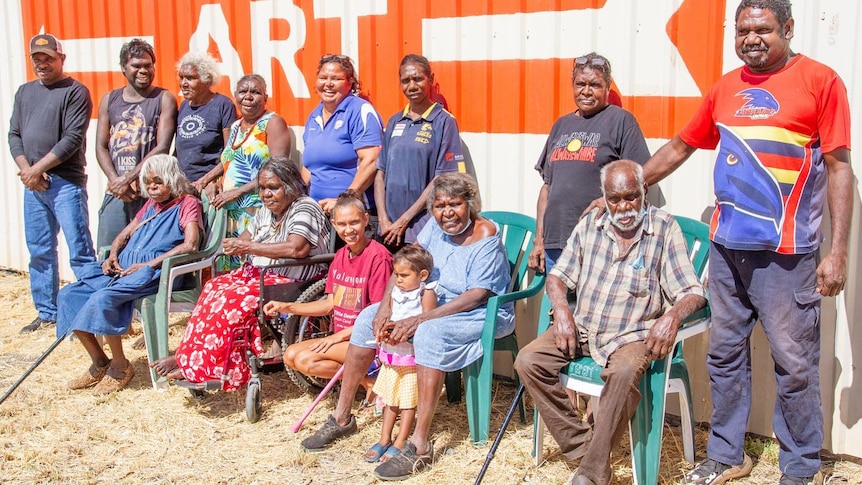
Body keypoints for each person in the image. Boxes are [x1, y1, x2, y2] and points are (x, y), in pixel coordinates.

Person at [619, 2, 852, 484]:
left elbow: (839, 168)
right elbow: (682, 146)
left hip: (788, 255)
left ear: (787, 29)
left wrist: (838, 252)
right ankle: (727, 456)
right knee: (725, 355)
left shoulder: (821, 81)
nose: (751, 38)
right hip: (727, 250)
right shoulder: (726, 87)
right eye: (743, 30)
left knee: (794, 362)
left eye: (762, 29)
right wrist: (628, 187)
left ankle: (800, 466)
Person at [300, 173, 514, 482]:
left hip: (477, 312)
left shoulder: (485, 238)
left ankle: (420, 444)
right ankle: (342, 417)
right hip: (428, 302)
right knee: (366, 319)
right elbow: (404, 263)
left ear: (471, 205)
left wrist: (419, 319)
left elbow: (477, 295)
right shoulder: (435, 228)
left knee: (428, 333)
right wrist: (386, 306)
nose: (447, 212)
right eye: (439, 206)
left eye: (455, 204)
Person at [515, 160, 707, 485]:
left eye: (631, 197)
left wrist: (672, 316)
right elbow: (559, 276)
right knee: (528, 361)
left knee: (625, 371)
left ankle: (591, 473)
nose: (624, 207)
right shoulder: (593, 222)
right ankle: (586, 447)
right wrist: (561, 309)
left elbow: (692, 292)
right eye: (615, 199)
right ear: (604, 196)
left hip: (632, 334)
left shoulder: (663, 229)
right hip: (585, 326)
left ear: (644, 192)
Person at [151, 157, 330, 391]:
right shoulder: (268, 211)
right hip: (261, 273)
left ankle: (212, 366)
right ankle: (189, 357)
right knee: (213, 288)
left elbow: (297, 248)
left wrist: (248, 248)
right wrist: (234, 243)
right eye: (263, 188)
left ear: (290, 186)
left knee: (231, 300)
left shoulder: (304, 207)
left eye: (273, 188)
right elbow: (245, 237)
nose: (266, 194)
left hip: (292, 279)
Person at [59, 155, 202, 394]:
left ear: (172, 179)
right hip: (123, 270)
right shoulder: (150, 205)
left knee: (103, 298)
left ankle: (120, 365)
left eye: (159, 181)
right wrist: (112, 255)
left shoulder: (187, 204)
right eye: (148, 182)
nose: (153, 187)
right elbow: (123, 235)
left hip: (153, 274)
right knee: (68, 295)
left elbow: (191, 244)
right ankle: (99, 361)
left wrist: (149, 264)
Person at [262, 191, 393, 399]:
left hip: (367, 342)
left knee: (305, 360)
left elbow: (378, 317)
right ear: (333, 224)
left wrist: (335, 337)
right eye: (342, 224)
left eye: (354, 223)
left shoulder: (379, 257)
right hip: (344, 339)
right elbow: (330, 304)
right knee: (290, 355)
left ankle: (368, 382)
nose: (348, 230)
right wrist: (287, 307)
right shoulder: (340, 256)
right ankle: (368, 383)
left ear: (366, 220)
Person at [528, 53, 650, 274]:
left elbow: (641, 178)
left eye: (595, 84)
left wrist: (606, 202)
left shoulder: (621, 121)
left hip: (600, 241)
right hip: (557, 244)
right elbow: (547, 187)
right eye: (580, 84)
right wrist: (539, 240)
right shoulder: (561, 125)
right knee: (559, 306)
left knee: (594, 307)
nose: (586, 91)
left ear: (607, 86)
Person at [7, 33, 96, 333]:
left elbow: (72, 139)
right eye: (37, 59)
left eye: (48, 58)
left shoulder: (75, 91)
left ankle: (90, 312)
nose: (42, 64)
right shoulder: (24, 92)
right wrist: (26, 171)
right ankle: (47, 313)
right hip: (34, 185)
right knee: (40, 250)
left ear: (61, 59)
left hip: (65, 183)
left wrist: (38, 169)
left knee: (80, 249)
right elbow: (14, 135)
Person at [374, 54, 465, 253]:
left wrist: (404, 220)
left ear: (430, 79)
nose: (412, 86)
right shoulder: (395, 121)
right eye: (406, 81)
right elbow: (380, 174)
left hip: (419, 229)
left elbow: (442, 179)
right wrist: (383, 219)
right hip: (388, 229)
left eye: (418, 79)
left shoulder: (444, 122)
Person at [95, 38, 178, 249]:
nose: (143, 70)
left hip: (148, 192)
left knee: (143, 252)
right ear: (123, 68)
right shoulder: (109, 99)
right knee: (107, 250)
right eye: (136, 65)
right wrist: (116, 181)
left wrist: (130, 178)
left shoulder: (163, 98)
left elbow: (162, 147)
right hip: (116, 192)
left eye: (148, 65)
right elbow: (100, 146)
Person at [364, 245, 437, 463]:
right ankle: (384, 438)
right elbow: (391, 316)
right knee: (389, 398)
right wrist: (385, 330)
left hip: (411, 358)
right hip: (392, 355)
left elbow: (427, 322)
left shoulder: (426, 292)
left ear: (422, 275)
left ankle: (400, 440)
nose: (398, 280)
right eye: (396, 274)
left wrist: (402, 331)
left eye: (404, 275)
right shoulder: (396, 292)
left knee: (407, 402)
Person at [210, 74, 291, 270]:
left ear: (265, 98)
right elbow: (229, 161)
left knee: (253, 268)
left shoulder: (272, 122)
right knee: (230, 269)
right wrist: (212, 182)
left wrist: (237, 192)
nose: (248, 97)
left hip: (256, 210)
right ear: (235, 96)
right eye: (243, 91)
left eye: (255, 92)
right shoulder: (236, 126)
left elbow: (278, 169)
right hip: (230, 212)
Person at [302, 54, 383, 216]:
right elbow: (309, 166)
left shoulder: (358, 110)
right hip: (319, 213)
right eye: (323, 77)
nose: (328, 84)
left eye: (336, 78)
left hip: (353, 215)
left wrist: (343, 201)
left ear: (350, 82)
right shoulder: (314, 116)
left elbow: (372, 159)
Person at [173, 51, 238, 194]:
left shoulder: (223, 105)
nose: (183, 83)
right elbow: (178, 151)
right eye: (181, 77)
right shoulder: (184, 106)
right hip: (184, 187)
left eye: (190, 78)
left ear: (206, 79)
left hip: (209, 187)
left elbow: (231, 153)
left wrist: (205, 181)